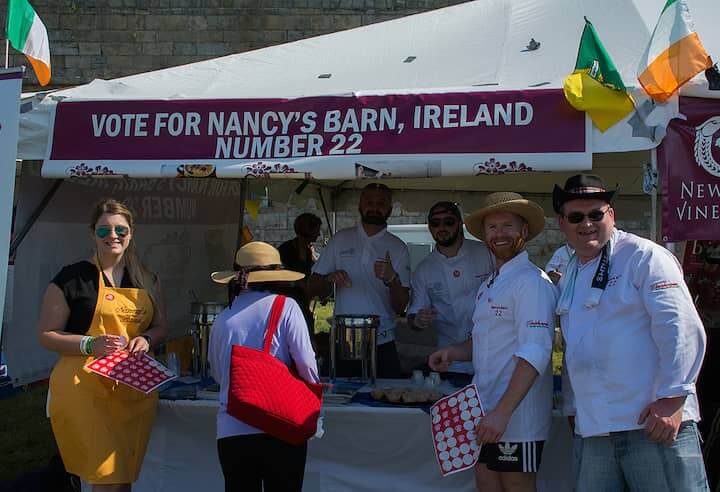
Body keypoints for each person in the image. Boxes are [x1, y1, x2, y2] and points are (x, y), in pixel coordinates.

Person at [553, 174, 709, 491]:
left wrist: (672, 399)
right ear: (562, 223)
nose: (587, 223)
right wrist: (573, 408)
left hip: (653, 423)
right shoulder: (570, 271)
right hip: (595, 430)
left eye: (596, 214)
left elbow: (681, 327)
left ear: (611, 214)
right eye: (576, 217)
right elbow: (574, 345)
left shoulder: (644, 256)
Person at [429, 192, 557, 492]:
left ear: (524, 232)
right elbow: (484, 339)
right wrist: (454, 352)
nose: (499, 234)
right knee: (486, 485)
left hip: (516, 417)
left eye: (507, 226)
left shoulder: (532, 282)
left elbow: (536, 350)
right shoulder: (491, 282)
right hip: (483, 411)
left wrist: (503, 412)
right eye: (492, 227)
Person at [37, 199, 168, 492]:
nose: (113, 236)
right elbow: (46, 334)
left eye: (121, 229)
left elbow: (160, 326)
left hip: (133, 389)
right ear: (91, 233)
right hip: (84, 388)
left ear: (131, 233)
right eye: (104, 230)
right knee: (105, 477)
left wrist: (145, 340)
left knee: (123, 479)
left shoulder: (148, 279)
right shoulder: (72, 278)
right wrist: (89, 344)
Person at [208, 241, 319, 492]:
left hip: (232, 429)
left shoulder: (223, 319)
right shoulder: (286, 307)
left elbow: (218, 374)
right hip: (282, 423)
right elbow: (307, 365)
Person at [308, 183, 410, 378]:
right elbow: (312, 288)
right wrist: (330, 279)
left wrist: (392, 279)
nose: (374, 207)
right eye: (369, 202)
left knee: (386, 401)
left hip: (382, 342)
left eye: (381, 203)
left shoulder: (398, 247)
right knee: (339, 405)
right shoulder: (340, 240)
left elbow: (400, 307)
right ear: (360, 206)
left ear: (390, 209)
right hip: (342, 342)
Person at [408, 201, 494, 386]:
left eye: (448, 222)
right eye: (435, 223)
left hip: (490, 356)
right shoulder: (424, 269)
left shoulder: (486, 253)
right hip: (449, 361)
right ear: (429, 227)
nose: (442, 228)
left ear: (459, 223)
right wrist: (418, 320)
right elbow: (413, 315)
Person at [277, 213, 322, 336]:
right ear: (308, 229)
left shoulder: (310, 250)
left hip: (303, 302)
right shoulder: (285, 250)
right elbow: (277, 278)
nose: (319, 234)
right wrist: (297, 284)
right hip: (287, 304)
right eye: (317, 230)